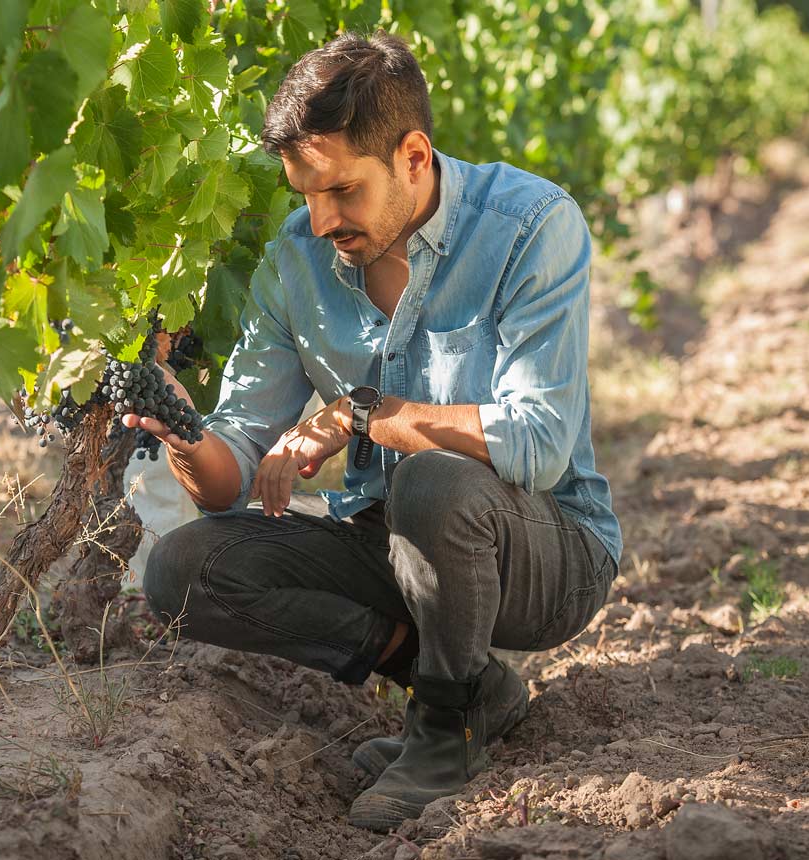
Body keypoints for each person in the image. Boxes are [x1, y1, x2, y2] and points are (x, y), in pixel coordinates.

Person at [131, 31, 623, 832]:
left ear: (414, 157)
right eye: (305, 195)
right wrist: (183, 431)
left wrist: (365, 414)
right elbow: (231, 469)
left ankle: (443, 730)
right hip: (398, 546)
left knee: (429, 478)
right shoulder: (296, 260)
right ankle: (462, 685)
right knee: (185, 568)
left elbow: (537, 444)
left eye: (342, 192)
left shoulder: (531, 226)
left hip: (546, 552)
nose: (320, 220)